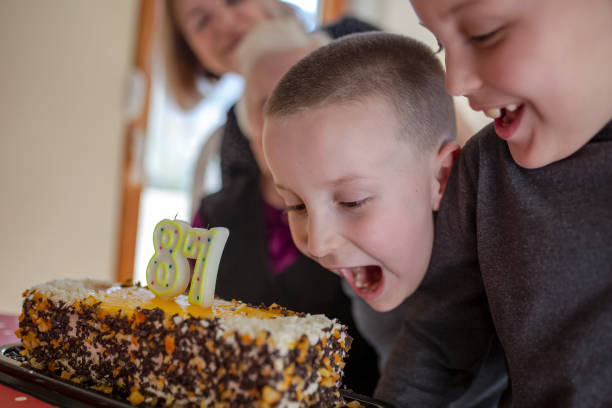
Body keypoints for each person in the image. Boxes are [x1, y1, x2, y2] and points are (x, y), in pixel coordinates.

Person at [370, 0, 612, 406]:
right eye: (442, 46)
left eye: (483, 33)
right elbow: (439, 342)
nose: (456, 83)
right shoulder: (487, 169)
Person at [263, 31, 507, 406]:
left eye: (352, 201)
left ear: (443, 177)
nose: (318, 243)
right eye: (296, 206)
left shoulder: (505, 272)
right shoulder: (364, 263)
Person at [192, 19, 381, 395]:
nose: (288, 117)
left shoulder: (370, 210)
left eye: (304, 95)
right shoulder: (211, 218)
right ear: (246, 119)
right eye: (268, 102)